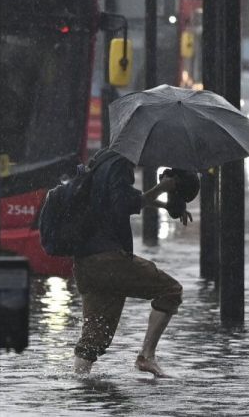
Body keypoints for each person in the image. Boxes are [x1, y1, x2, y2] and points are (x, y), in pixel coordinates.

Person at [72, 149, 193, 378]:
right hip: (110, 260)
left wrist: (164, 205)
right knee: (171, 290)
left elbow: (118, 198)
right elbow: (123, 204)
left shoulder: (100, 160)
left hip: (86, 262)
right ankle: (146, 356)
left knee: (93, 341)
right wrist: (163, 189)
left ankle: (80, 391)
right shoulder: (121, 165)